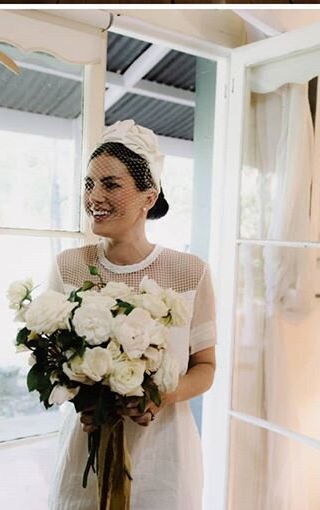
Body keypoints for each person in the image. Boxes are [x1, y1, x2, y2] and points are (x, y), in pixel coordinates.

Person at [47, 120, 217, 510]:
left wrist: (160, 397)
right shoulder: (68, 267)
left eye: (110, 184)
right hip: (86, 455)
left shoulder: (190, 272)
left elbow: (205, 367)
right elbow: (55, 362)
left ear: (148, 197)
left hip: (164, 458)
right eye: (89, 184)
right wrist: (82, 401)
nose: (94, 196)